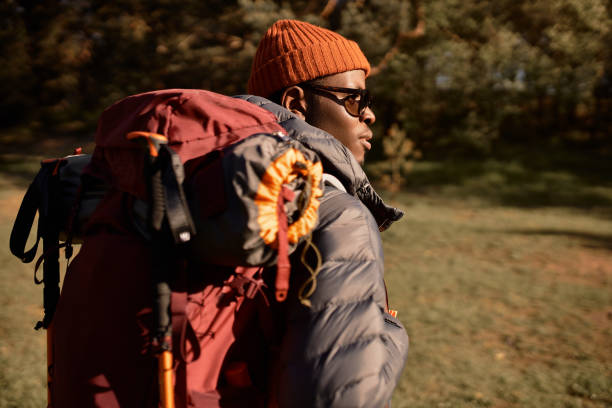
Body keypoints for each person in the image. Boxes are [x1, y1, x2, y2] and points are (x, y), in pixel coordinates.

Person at [237, 19, 409, 407]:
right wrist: (386, 326)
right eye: (354, 99)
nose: (369, 116)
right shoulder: (338, 214)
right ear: (296, 104)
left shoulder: (229, 185)